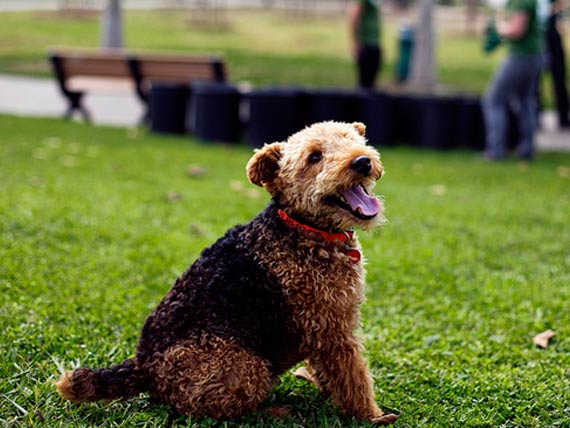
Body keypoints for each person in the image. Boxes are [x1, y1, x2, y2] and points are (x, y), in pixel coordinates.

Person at [483, 0, 545, 160]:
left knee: (493, 100)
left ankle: (496, 150)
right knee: (524, 99)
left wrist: (499, 27)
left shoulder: (521, 1)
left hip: (521, 56)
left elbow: (517, 30)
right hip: (534, 55)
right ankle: (527, 149)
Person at [545, 0, 570, 128]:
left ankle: (563, 118)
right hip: (544, 41)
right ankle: (534, 117)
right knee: (533, 83)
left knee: (560, 81)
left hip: (554, 42)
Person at [348, 0, 382, 89]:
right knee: (364, 82)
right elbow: (354, 18)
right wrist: (355, 42)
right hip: (365, 44)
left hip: (374, 44)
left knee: (372, 82)